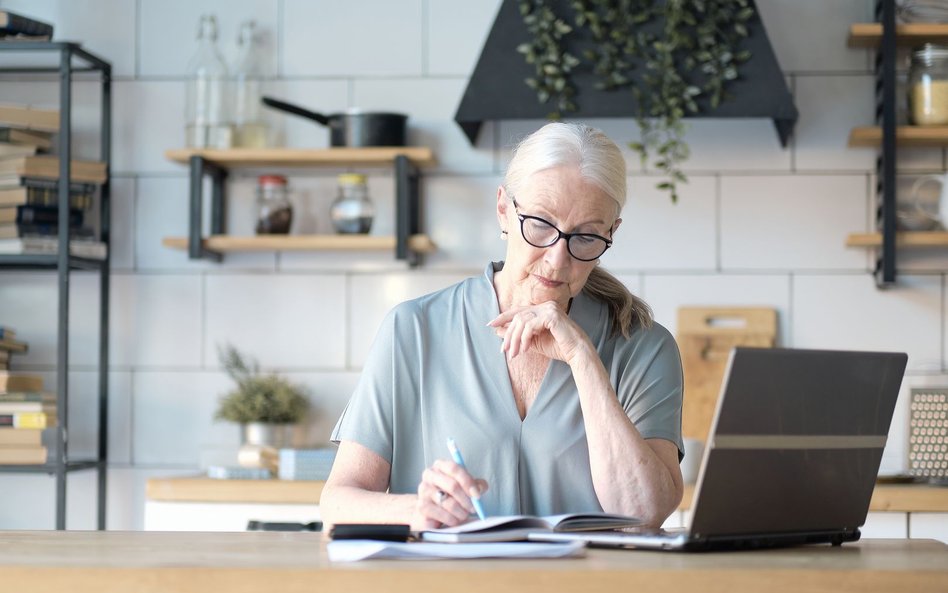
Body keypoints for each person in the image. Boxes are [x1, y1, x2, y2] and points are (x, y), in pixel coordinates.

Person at [320, 122, 684, 531]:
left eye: (585, 237)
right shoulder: (413, 329)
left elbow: (644, 511)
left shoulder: (643, 346)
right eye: (540, 225)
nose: (557, 261)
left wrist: (583, 359)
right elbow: (337, 501)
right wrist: (413, 510)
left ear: (611, 233)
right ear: (503, 210)